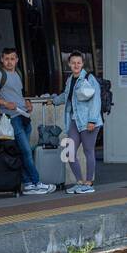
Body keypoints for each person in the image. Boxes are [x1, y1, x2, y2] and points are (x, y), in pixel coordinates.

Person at [0, 48, 56, 196]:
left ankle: (28, 184)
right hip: (12, 118)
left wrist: (27, 102)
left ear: (17, 60)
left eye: (12, 59)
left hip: (23, 116)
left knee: (23, 152)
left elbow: (18, 94)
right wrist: (5, 103)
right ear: (2, 59)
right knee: (25, 152)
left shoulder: (17, 74)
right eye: (6, 59)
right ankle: (37, 183)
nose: (9, 62)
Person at [48, 51, 103, 194]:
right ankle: (79, 182)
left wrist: (92, 120)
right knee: (68, 151)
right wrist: (53, 101)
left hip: (88, 122)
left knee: (88, 151)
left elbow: (96, 101)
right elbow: (67, 96)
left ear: (83, 64)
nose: (76, 65)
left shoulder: (89, 79)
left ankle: (89, 183)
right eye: (73, 63)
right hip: (74, 121)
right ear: (69, 64)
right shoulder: (70, 79)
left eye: (79, 62)